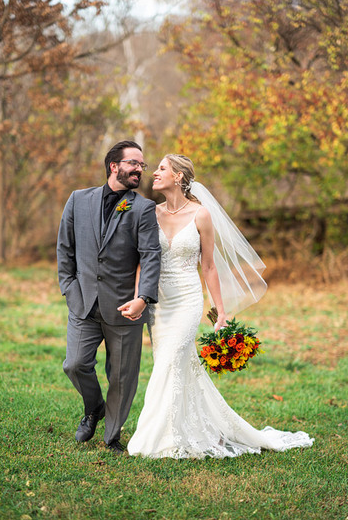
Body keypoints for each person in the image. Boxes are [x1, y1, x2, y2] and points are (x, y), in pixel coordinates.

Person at [128, 154, 313, 458]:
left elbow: (210, 267)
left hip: (187, 299)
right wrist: (139, 297)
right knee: (173, 364)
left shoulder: (201, 215)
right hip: (159, 303)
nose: (154, 173)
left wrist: (220, 311)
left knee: (170, 361)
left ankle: (158, 438)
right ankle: (191, 429)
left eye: (162, 169)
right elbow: (143, 262)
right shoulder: (151, 213)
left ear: (178, 177)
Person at [57, 140, 161, 453]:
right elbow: (65, 248)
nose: (140, 169)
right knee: (74, 365)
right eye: (134, 163)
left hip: (125, 306)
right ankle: (94, 408)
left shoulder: (142, 208)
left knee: (122, 376)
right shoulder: (78, 199)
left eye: (142, 165)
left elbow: (151, 254)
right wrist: (70, 289)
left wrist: (143, 297)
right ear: (114, 166)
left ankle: (111, 435)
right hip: (83, 303)